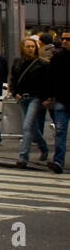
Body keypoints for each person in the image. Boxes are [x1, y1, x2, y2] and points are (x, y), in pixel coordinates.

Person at [11, 36, 51, 169]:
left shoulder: (42, 64)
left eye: (33, 47)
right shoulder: (18, 62)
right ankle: (44, 149)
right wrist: (14, 93)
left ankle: (23, 157)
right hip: (22, 98)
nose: (30, 49)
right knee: (33, 127)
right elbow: (13, 78)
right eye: (28, 46)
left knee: (27, 126)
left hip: (36, 98)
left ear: (36, 48)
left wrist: (46, 98)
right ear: (23, 48)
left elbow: (47, 83)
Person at [45, 31, 70, 175]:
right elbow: (50, 79)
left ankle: (59, 161)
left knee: (60, 131)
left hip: (62, 99)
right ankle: (58, 161)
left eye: (68, 39)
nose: (65, 41)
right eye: (63, 39)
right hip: (61, 100)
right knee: (60, 132)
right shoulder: (58, 58)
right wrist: (49, 96)